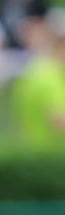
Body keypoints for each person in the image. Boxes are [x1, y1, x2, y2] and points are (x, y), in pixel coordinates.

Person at [12, 20, 65, 149]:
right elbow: (59, 121)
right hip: (52, 154)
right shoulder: (52, 77)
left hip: (34, 150)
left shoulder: (34, 71)